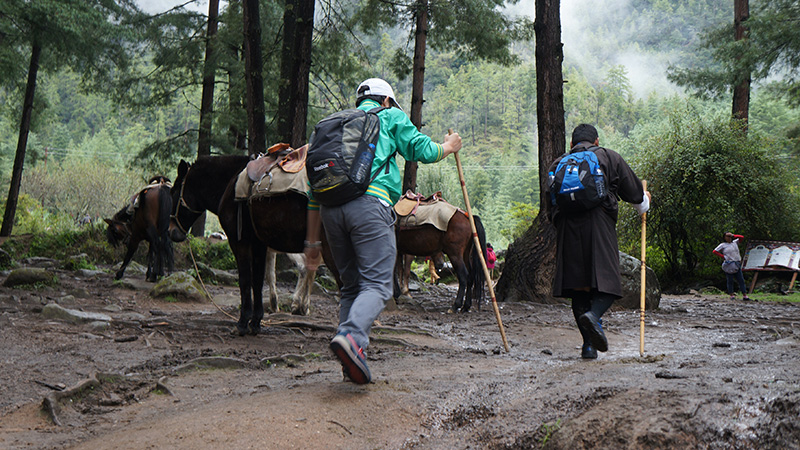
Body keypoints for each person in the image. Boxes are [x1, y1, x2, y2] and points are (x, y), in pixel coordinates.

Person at [304, 78, 462, 384]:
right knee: (378, 285)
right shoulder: (389, 116)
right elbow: (421, 149)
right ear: (386, 100)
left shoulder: (333, 127)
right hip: (370, 207)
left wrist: (312, 242)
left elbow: (313, 192)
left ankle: (353, 357)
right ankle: (350, 338)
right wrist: (448, 147)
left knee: (351, 287)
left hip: (330, 213)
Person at [547, 124, 650, 360]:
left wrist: (561, 224)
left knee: (578, 288)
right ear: (597, 140)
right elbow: (635, 196)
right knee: (608, 282)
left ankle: (588, 347)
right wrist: (645, 201)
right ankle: (594, 316)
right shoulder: (608, 156)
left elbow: (549, 205)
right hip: (599, 224)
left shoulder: (557, 164)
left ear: (570, 144)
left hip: (567, 227)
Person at [713, 232, 751, 301]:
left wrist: (733, 235)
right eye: (727, 236)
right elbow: (715, 251)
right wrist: (723, 257)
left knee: (741, 280)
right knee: (730, 280)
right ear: (724, 237)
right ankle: (731, 295)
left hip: (737, 263)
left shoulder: (735, 242)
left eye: (730, 237)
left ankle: (745, 295)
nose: (729, 238)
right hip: (729, 264)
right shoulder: (723, 245)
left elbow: (741, 237)